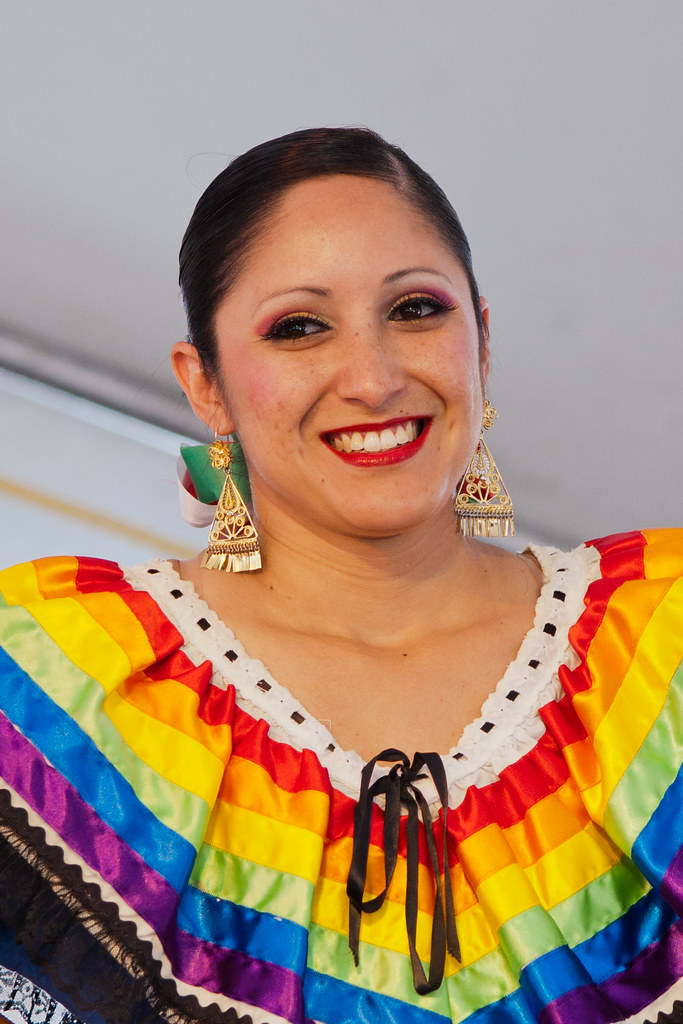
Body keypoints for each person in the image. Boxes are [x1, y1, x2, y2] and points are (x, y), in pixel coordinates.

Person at [0, 127, 681, 1024]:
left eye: (415, 310)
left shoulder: (660, 645)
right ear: (204, 385)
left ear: (480, 340)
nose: (372, 377)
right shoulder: (49, 682)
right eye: (299, 327)